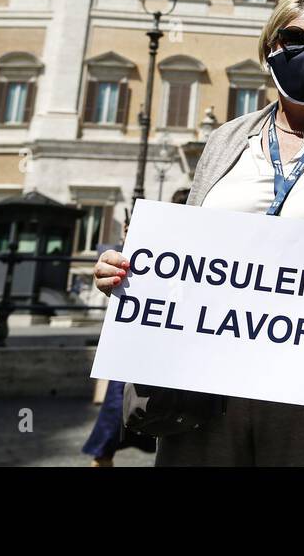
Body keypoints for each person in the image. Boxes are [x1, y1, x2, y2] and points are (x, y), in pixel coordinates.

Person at [94, 0, 304, 466]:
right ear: (271, 46)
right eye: (294, 38)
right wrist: (128, 272)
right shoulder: (225, 139)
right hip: (206, 389)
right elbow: (189, 252)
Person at [82, 189, 191, 466]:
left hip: (151, 336)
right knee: (128, 396)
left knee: (129, 396)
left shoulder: (166, 239)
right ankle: (104, 453)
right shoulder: (162, 239)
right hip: (153, 334)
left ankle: (103, 454)